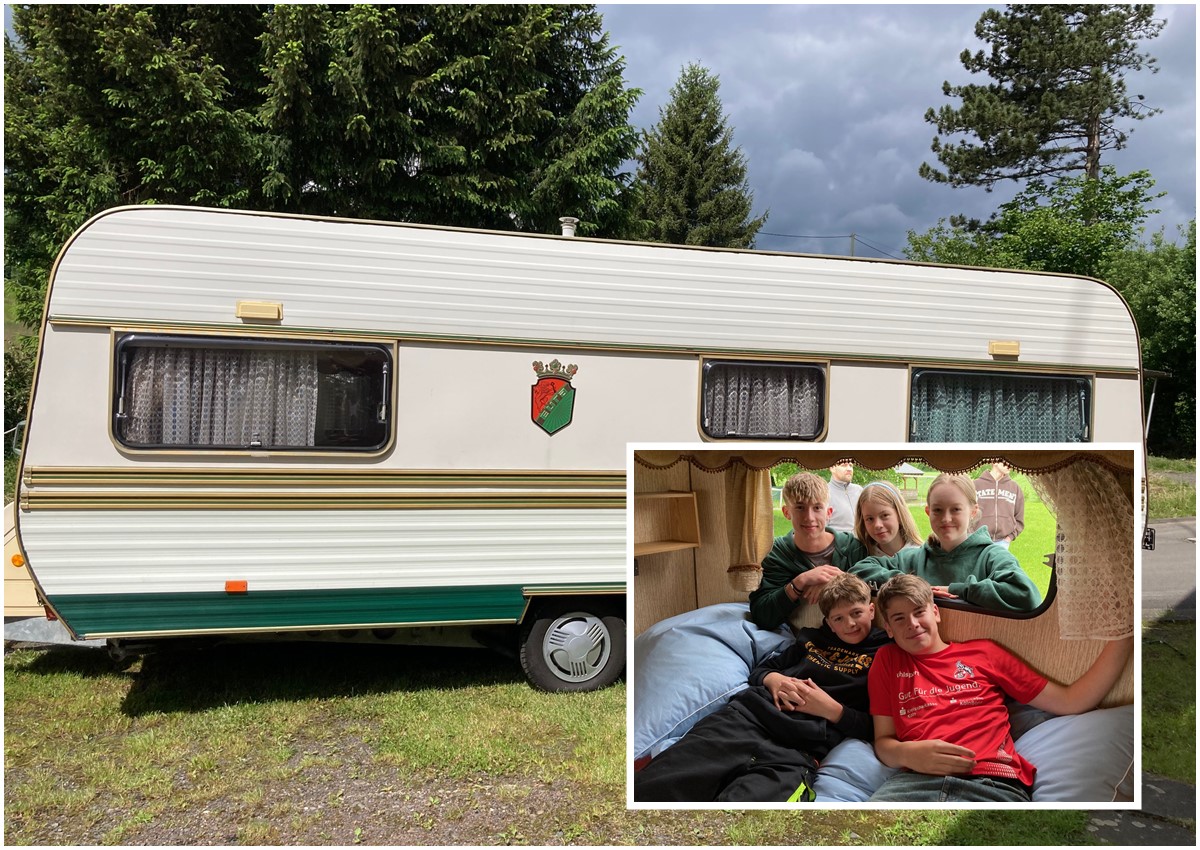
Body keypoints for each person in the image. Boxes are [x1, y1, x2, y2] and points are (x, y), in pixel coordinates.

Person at [867, 574, 1133, 803]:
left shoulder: (984, 653)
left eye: (918, 612)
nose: (912, 624)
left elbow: (1071, 701)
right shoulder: (888, 660)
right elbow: (883, 741)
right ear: (888, 628)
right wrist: (910, 755)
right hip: (913, 781)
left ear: (935, 612)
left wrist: (1125, 634)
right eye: (899, 619)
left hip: (994, 782)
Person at [635, 573, 891, 802]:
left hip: (796, 751)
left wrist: (832, 710)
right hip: (744, 720)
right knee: (652, 789)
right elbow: (760, 670)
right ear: (829, 623)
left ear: (871, 610)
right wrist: (774, 680)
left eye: (856, 613)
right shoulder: (810, 640)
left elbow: (879, 727)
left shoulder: (885, 655)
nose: (850, 624)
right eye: (839, 618)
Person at [850, 473, 1041, 613]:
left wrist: (957, 590)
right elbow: (860, 570)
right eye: (938, 510)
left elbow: (1026, 594)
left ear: (973, 511)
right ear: (928, 512)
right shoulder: (915, 558)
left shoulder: (991, 556)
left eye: (956, 509)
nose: (946, 518)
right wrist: (909, 583)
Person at [750, 472, 868, 630]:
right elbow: (762, 615)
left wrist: (834, 583)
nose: (809, 517)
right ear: (786, 512)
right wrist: (800, 581)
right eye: (800, 508)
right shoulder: (775, 553)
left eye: (817, 507)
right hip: (798, 639)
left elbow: (872, 593)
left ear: (829, 513)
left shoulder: (854, 548)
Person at [853, 480, 923, 556]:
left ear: (899, 514)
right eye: (870, 519)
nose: (877, 525)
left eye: (885, 515)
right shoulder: (860, 556)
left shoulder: (921, 556)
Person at [972, 462, 1025, 549]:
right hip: (978, 541)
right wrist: (972, 535)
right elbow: (965, 513)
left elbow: (1019, 518)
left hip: (1002, 543)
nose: (1010, 464)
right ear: (994, 462)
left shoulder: (1015, 488)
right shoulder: (975, 485)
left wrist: (1009, 538)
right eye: (1005, 461)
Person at [827, 462, 863, 532]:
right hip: (838, 541)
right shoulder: (824, 492)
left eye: (851, 465)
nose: (849, 469)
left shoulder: (859, 490)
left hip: (862, 541)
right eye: (844, 465)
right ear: (832, 468)